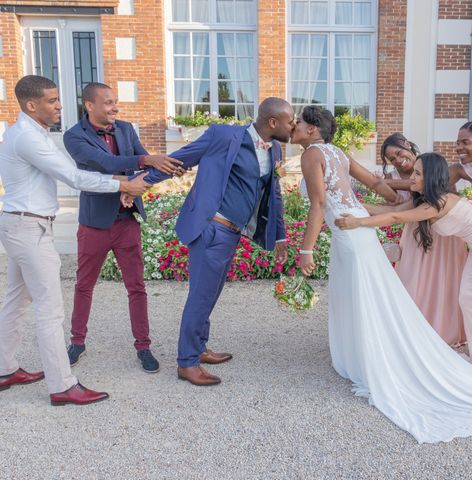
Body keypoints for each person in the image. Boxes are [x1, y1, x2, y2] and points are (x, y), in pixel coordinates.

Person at [294, 106, 472, 444]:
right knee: (471, 302)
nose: (409, 178)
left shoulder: (438, 201)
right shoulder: (424, 197)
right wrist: (352, 210)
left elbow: (395, 219)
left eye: (415, 174)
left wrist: (356, 221)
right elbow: (393, 209)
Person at [0, 75, 150, 405]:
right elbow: (73, 176)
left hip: (20, 224)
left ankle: (5, 369)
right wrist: (122, 186)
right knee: (50, 309)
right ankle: (62, 385)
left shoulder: (26, 132)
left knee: (15, 300)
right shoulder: (28, 137)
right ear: (31, 105)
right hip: (29, 228)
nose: (59, 105)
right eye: (52, 100)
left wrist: (119, 183)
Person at [136, 98, 294, 386]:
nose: (293, 126)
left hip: (233, 233)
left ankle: (199, 347)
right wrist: (140, 184)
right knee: (201, 296)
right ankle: (187, 362)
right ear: (273, 122)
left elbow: (275, 193)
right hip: (213, 229)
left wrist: (280, 233)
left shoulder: (275, 148)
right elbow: (182, 157)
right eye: (290, 121)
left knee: (211, 293)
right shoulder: (224, 135)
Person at [63, 82, 182, 373]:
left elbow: (143, 170)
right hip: (94, 224)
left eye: (115, 102)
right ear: (90, 105)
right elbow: (105, 163)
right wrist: (143, 161)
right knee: (84, 285)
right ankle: (77, 342)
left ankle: (143, 346)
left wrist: (139, 184)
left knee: (137, 287)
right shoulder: (73, 136)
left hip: (127, 221)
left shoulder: (127, 129)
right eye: (108, 103)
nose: (115, 107)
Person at [378, 133, 466, 346]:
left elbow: (443, 193)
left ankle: (443, 329)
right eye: (392, 159)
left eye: (399, 153)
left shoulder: (430, 164)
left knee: (444, 279)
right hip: (415, 231)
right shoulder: (391, 179)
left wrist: (386, 183)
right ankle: (413, 328)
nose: (398, 160)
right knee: (412, 279)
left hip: (443, 232)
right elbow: (396, 208)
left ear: (408, 144)